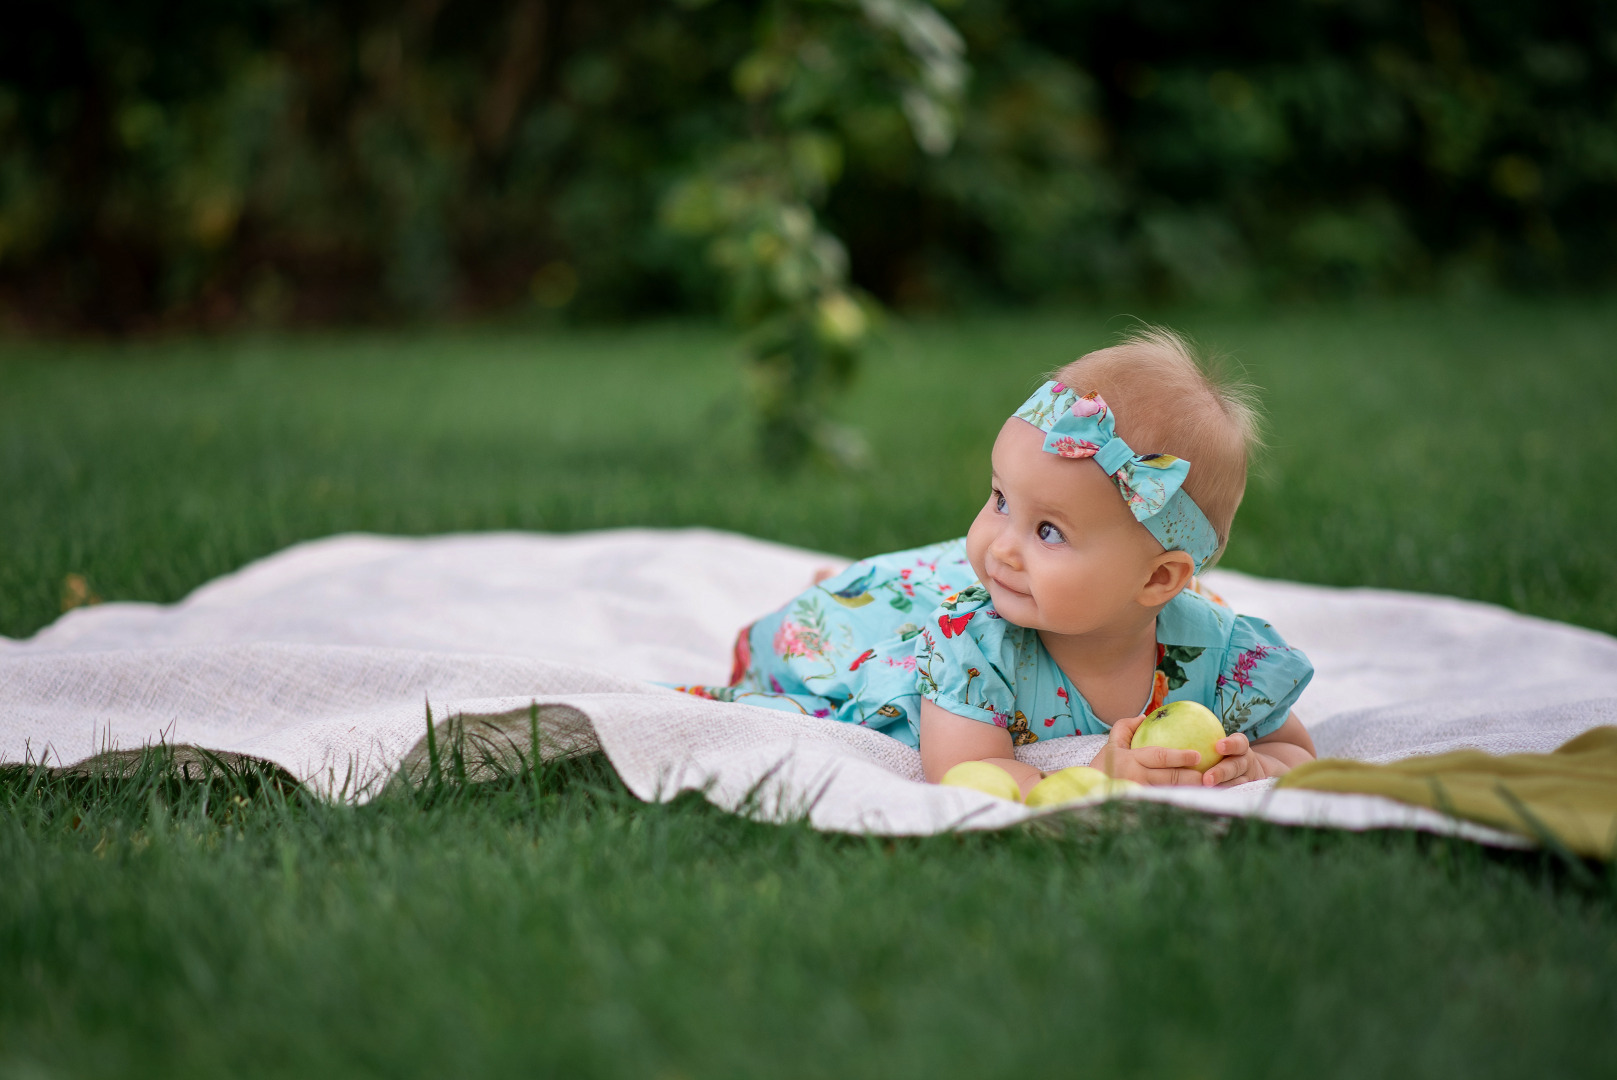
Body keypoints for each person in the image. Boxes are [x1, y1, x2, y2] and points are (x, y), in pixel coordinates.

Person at [674, 327, 1317, 798]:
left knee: (971, 571)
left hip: (1001, 598)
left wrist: (1253, 767)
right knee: (851, 620)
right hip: (906, 650)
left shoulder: (1223, 656)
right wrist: (1097, 778)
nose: (1004, 542)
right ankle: (847, 587)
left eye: (1049, 531)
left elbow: (1295, 752)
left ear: (1157, 579)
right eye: (1000, 498)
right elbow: (959, 774)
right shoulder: (975, 643)